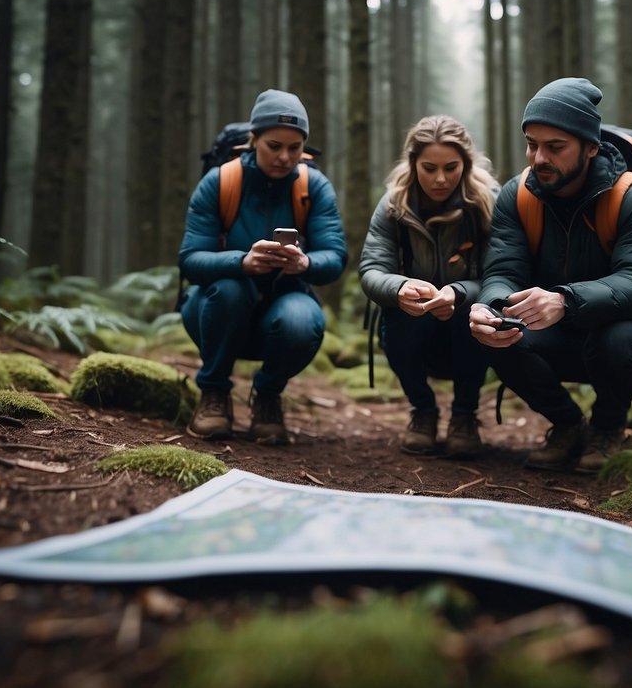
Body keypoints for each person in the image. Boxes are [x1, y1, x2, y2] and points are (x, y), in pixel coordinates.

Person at [468, 78, 632, 473]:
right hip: (554, 330)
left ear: (591, 148)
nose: (538, 157)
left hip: (629, 334)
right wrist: (490, 307)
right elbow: (503, 270)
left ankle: (608, 426)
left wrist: (565, 300)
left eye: (555, 147)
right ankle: (566, 425)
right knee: (493, 333)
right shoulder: (517, 195)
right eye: (531, 144)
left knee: (619, 337)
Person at [179, 89, 348, 444]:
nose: (285, 157)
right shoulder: (221, 181)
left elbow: (335, 258)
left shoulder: (312, 186)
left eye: (295, 147)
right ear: (253, 139)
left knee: (303, 320)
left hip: (285, 303)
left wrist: (305, 262)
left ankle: (268, 397)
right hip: (216, 309)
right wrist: (242, 262)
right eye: (274, 145)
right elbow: (191, 261)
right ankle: (213, 394)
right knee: (229, 288)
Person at [360, 115, 498, 456]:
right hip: (414, 328)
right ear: (412, 164)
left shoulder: (488, 203)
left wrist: (458, 292)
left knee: (475, 309)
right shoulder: (394, 204)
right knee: (400, 312)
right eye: (429, 167)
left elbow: (499, 276)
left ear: (466, 164)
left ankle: (464, 416)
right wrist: (400, 288)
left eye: (451, 168)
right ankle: (423, 410)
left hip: (466, 331)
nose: (440, 179)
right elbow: (372, 269)